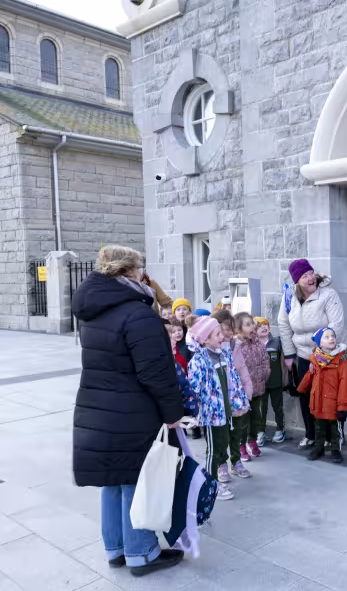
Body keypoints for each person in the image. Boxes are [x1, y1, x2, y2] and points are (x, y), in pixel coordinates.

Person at [72, 245, 184, 576]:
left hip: (99, 407)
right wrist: (172, 412)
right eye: (141, 269)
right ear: (129, 272)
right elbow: (155, 371)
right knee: (137, 478)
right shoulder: (137, 313)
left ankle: (116, 549)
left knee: (113, 480)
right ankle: (141, 553)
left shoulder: (95, 309)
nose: (144, 274)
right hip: (132, 410)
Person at [278, 259, 347, 449]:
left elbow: (336, 325)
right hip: (302, 354)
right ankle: (311, 434)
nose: (310, 278)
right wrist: (290, 355)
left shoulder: (328, 295)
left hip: (328, 355)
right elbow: (283, 324)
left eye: (311, 273)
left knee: (328, 396)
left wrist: (319, 355)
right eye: (304, 276)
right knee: (305, 395)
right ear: (297, 281)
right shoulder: (289, 298)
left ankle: (332, 436)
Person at [188, 316, 251, 500]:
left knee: (222, 447)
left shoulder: (224, 355)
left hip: (225, 412)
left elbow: (234, 381)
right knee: (214, 453)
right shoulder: (198, 361)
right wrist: (195, 412)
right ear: (205, 338)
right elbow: (194, 388)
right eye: (217, 334)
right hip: (211, 414)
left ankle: (214, 482)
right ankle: (210, 487)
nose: (222, 336)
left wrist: (239, 402)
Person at [297, 327, 347, 463]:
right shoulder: (316, 359)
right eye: (326, 337)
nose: (331, 338)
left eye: (333, 336)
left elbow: (346, 385)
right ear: (319, 343)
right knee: (319, 427)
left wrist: (343, 406)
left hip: (333, 403)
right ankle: (318, 447)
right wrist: (300, 389)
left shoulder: (343, 361)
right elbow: (310, 376)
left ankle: (335, 450)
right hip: (318, 402)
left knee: (335, 429)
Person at [212, 309, 254, 464]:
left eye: (231, 329)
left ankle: (236, 462)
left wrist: (247, 393)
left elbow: (243, 371)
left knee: (237, 433)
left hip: (236, 399)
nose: (230, 333)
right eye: (226, 329)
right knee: (222, 437)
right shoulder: (209, 350)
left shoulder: (234, 347)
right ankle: (222, 465)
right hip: (219, 401)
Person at [234, 312, 270, 458]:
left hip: (257, 387)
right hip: (242, 391)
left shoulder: (256, 342)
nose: (252, 327)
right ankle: (241, 445)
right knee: (243, 420)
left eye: (252, 323)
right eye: (247, 324)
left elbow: (265, 359)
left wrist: (265, 373)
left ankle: (252, 440)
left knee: (256, 417)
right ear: (238, 328)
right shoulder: (236, 345)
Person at [255, 316, 285, 444]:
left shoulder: (277, 342)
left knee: (277, 406)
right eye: (259, 325)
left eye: (265, 324)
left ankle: (280, 429)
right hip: (260, 383)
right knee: (262, 408)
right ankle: (260, 432)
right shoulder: (252, 344)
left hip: (275, 381)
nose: (263, 327)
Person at [166, 317, 198, 418]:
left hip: (186, 390)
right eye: (172, 333)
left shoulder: (186, 347)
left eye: (179, 330)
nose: (177, 334)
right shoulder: (166, 362)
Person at [172, 299, 194, 364]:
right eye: (178, 310)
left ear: (189, 311)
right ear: (174, 313)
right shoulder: (170, 327)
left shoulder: (193, 326)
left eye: (184, 309)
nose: (181, 312)